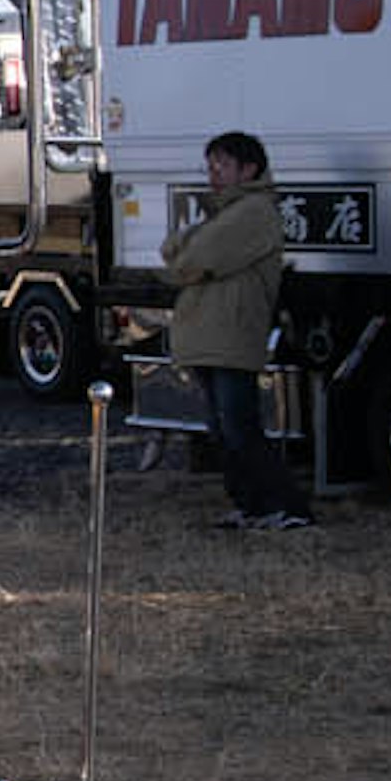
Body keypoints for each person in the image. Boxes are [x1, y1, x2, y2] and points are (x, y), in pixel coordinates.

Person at [163, 128, 306, 530]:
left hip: (232, 334)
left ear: (250, 168)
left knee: (239, 427)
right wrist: (186, 257)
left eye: (222, 165)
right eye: (211, 166)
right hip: (212, 336)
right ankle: (252, 504)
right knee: (224, 430)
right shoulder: (226, 211)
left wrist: (185, 260)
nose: (214, 174)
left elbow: (194, 258)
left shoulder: (254, 211)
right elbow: (178, 250)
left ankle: (285, 505)